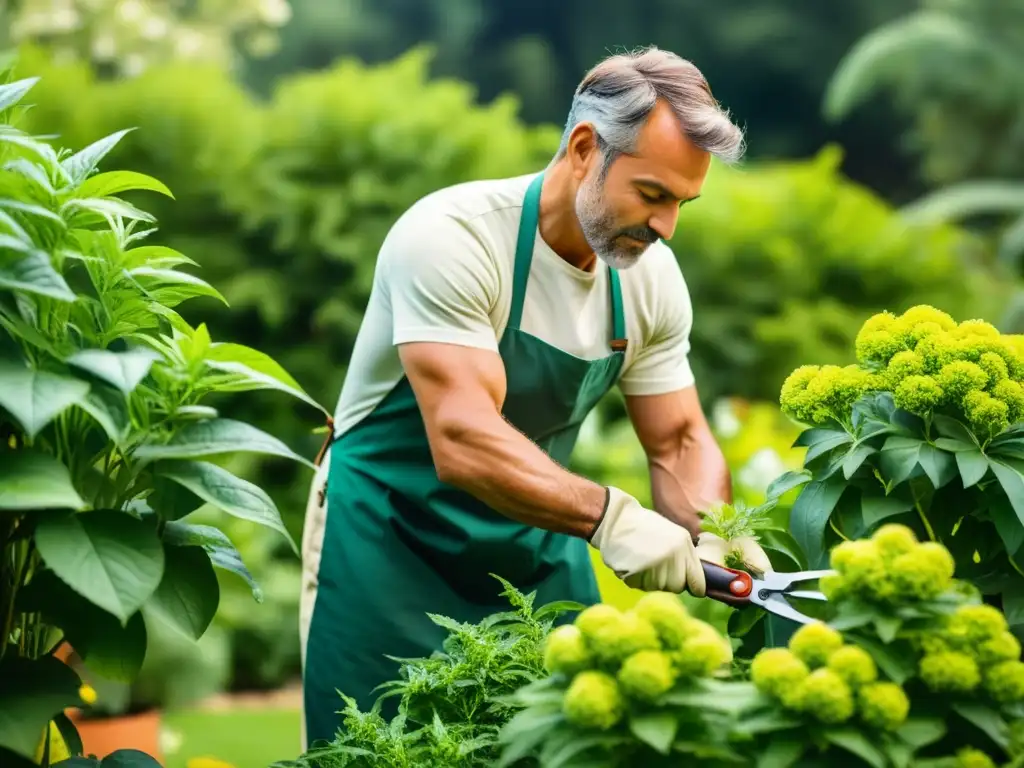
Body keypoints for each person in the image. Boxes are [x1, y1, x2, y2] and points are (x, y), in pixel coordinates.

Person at [298, 45, 772, 748]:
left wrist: (719, 530)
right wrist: (612, 517)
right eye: (652, 194)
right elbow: (461, 438)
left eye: (682, 202)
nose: (668, 225)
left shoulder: (650, 279)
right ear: (585, 148)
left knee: (568, 751)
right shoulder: (451, 237)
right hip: (383, 548)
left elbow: (677, 441)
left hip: (536, 545)